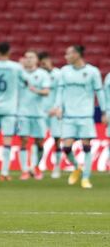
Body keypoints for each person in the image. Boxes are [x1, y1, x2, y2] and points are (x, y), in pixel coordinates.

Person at [55, 45, 106, 189]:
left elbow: (99, 92)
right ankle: (78, 167)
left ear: (77, 54)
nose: (66, 57)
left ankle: (86, 178)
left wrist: (104, 112)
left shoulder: (92, 72)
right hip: (69, 115)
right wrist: (58, 107)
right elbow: (60, 91)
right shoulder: (64, 71)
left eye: (68, 54)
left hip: (85, 116)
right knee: (66, 148)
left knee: (86, 147)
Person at [0, 42, 25, 181]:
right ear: (9, 52)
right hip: (10, 108)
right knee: (7, 139)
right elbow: (26, 82)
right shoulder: (16, 67)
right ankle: (4, 172)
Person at [17, 50, 50, 180]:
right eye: (27, 57)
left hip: (39, 113)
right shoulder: (20, 74)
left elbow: (46, 91)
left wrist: (34, 90)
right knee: (24, 140)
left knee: (39, 142)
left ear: (37, 60)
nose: (29, 59)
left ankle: (35, 167)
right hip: (22, 114)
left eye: (32, 57)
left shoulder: (42, 74)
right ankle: (25, 170)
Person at [38, 51, 62, 179]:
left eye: (45, 62)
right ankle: (36, 168)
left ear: (50, 61)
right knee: (39, 140)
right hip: (41, 112)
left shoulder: (58, 74)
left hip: (54, 112)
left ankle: (57, 167)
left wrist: (58, 108)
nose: (43, 65)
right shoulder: (39, 75)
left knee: (57, 139)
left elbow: (61, 93)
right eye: (41, 63)